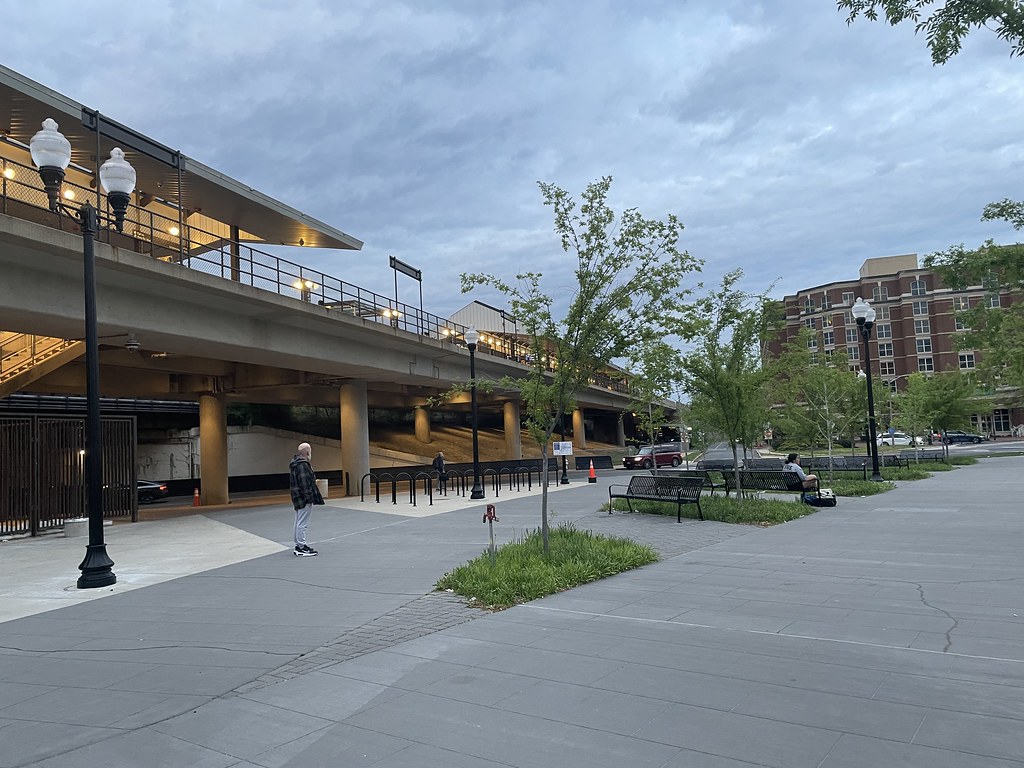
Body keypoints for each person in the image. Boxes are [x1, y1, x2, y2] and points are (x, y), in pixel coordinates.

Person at [289, 442, 324, 557]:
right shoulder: (303, 465)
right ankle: (301, 546)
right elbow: (305, 484)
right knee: (302, 523)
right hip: (303, 498)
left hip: (297, 497)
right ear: (307, 452)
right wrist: (309, 498)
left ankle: (299, 545)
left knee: (298, 522)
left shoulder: (295, 464)